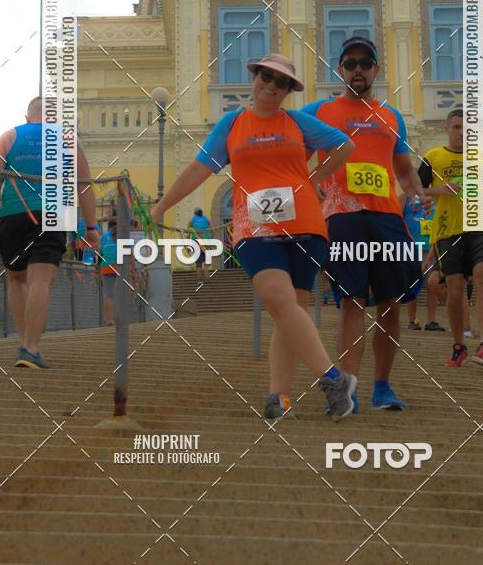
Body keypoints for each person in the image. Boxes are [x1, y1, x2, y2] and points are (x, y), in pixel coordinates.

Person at [152, 53, 357, 421]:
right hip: (254, 226)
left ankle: (279, 399)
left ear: (287, 91)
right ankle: (333, 377)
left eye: (281, 82)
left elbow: (345, 145)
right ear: (255, 76)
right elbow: (199, 169)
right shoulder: (232, 124)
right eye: (266, 76)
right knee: (278, 300)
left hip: (305, 225)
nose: (271, 85)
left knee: (285, 313)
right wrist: (160, 207)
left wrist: (312, 179)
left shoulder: (297, 122)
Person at [302, 37, 431, 412]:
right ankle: (349, 390)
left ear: (375, 69)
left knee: (390, 304)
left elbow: (405, 170)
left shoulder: (391, 117)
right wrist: (310, 189)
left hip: (387, 218)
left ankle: (382, 388)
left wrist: (417, 193)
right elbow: (297, 155)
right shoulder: (319, 112)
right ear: (340, 70)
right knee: (351, 301)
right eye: (350, 63)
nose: (358, 69)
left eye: (365, 63)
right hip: (342, 218)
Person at [0, 97, 100, 368]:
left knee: (16, 280)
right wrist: (92, 227)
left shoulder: (9, 136)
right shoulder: (69, 138)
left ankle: (25, 341)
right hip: (53, 213)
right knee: (40, 280)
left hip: (12, 215)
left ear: (27, 117)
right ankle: (30, 347)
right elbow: (84, 185)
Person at [419, 108, 483, 368]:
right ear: (447, 129)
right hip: (446, 231)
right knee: (454, 290)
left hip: (478, 228)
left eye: (467, 129)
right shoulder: (433, 157)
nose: (462, 133)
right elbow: (415, 189)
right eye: (456, 127)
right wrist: (439, 190)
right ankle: (459, 346)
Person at [399, 193, 435, 330]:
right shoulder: (405, 197)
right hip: (412, 248)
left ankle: (431, 321)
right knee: (413, 286)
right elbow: (397, 217)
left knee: (432, 286)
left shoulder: (434, 197)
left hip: (431, 248)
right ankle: (412, 320)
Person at [99, 219, 119, 325]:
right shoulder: (123, 235)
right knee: (122, 293)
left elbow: (100, 252)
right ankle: (119, 317)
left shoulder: (103, 237)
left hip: (106, 267)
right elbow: (130, 253)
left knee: (109, 294)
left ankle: (109, 319)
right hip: (121, 267)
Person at [187, 207, 213, 279]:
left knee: (198, 261)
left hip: (196, 240)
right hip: (206, 241)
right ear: (202, 212)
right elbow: (212, 229)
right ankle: (207, 276)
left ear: (195, 213)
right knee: (206, 259)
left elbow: (188, 231)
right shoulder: (207, 219)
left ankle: (199, 278)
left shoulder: (192, 219)